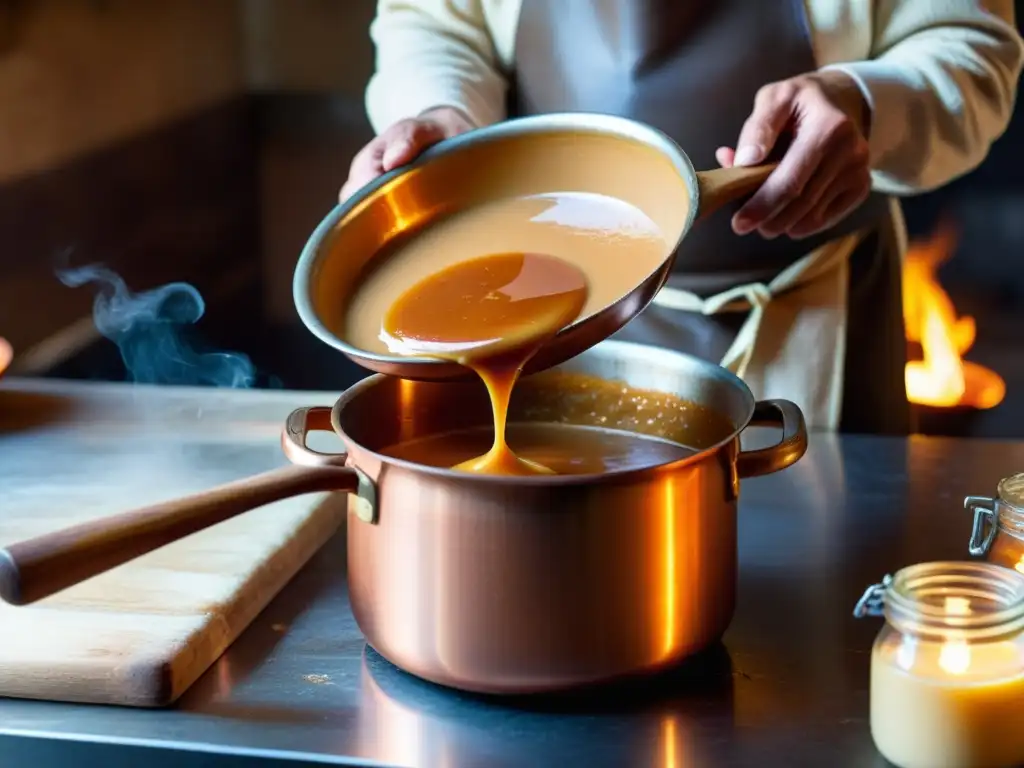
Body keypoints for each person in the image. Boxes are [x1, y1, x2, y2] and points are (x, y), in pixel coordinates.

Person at [342, 0, 1024, 434]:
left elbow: (970, 41)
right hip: (539, 324)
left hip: (820, 323)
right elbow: (434, 21)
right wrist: (441, 113)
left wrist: (868, 105)